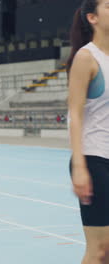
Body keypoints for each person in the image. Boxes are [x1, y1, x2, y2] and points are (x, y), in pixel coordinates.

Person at [67, 0, 109, 263]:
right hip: (95, 160)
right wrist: (80, 167)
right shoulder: (86, 57)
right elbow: (75, 114)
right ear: (93, 18)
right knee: (100, 250)